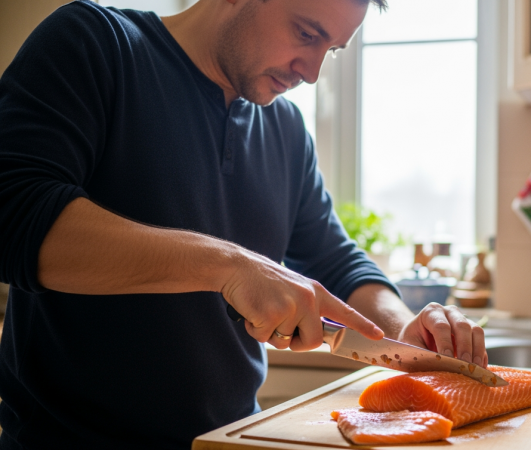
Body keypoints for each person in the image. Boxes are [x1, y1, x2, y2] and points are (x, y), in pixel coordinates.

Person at [0, 0, 487, 448]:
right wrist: (230, 267)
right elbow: (14, 212)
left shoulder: (287, 131)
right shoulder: (94, 43)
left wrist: (407, 332)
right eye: (306, 34)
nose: (312, 73)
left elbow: (335, 261)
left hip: (230, 441)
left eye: (332, 51)